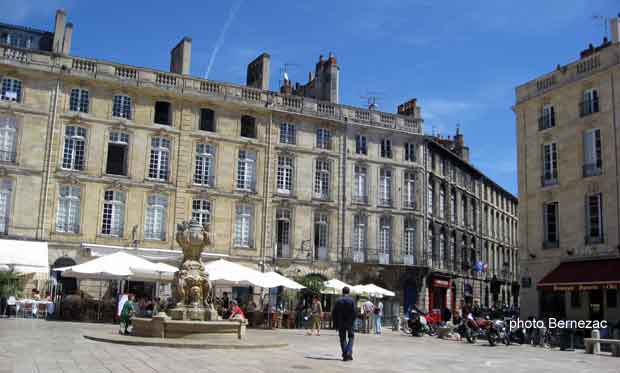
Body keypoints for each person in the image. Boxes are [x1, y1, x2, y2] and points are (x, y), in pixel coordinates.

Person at [332, 287, 356, 361]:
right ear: (348, 292)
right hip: (350, 322)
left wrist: (335, 323)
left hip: (341, 322)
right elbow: (354, 312)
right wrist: (353, 320)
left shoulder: (338, 300)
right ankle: (348, 353)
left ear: (342, 292)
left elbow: (334, 313)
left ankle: (346, 354)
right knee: (351, 337)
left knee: (342, 338)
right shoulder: (352, 300)